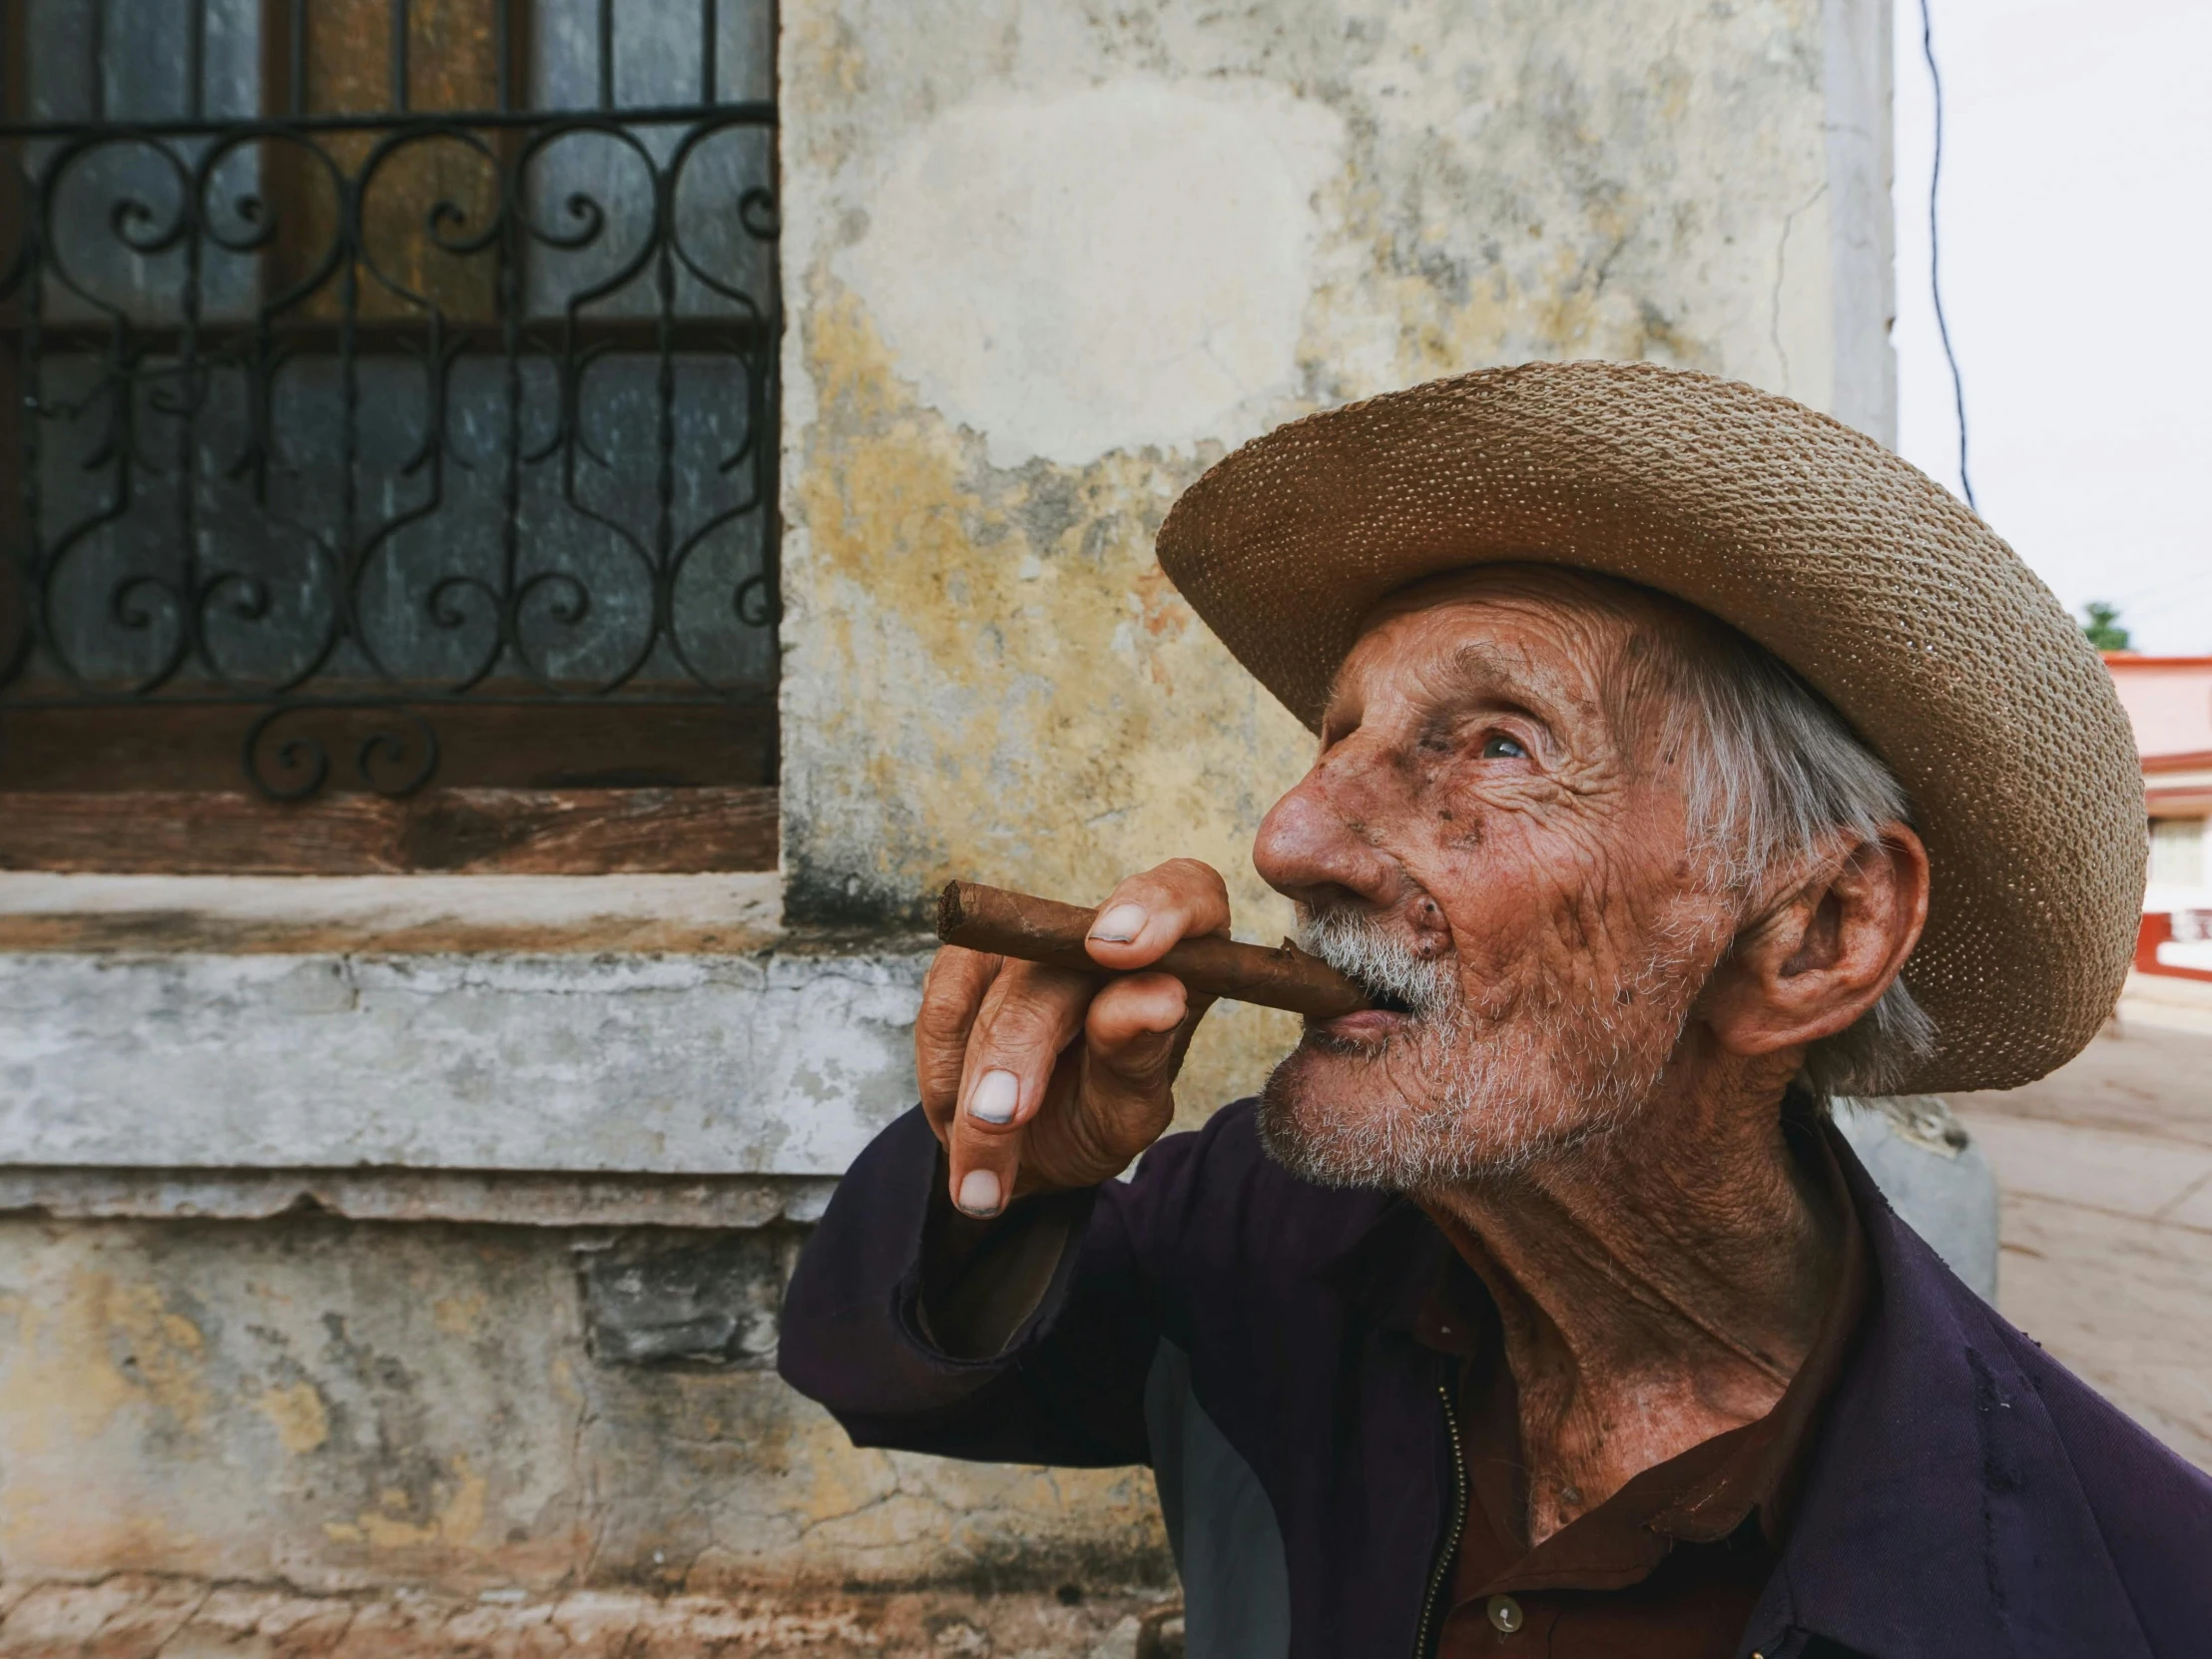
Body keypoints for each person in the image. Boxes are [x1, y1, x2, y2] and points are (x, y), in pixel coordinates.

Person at [779, 362, 2210, 1658]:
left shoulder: (2120, 1595)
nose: (1291, 837)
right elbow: (880, 1368)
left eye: (1496, 744)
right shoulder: (1262, 1228)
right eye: (1341, 737)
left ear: (1817, 932)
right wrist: (1010, 1177)